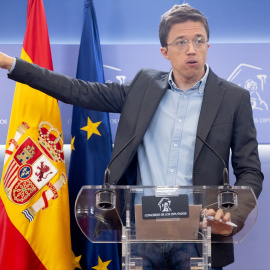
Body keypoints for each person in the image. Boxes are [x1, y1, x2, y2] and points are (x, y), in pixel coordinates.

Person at [0, 4, 263, 270]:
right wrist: (13, 64)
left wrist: (230, 217)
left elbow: (250, 171)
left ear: (208, 46)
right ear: (165, 51)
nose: (192, 49)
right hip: (142, 234)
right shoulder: (143, 86)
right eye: (181, 42)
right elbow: (79, 91)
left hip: (198, 235)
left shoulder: (234, 98)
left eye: (199, 41)